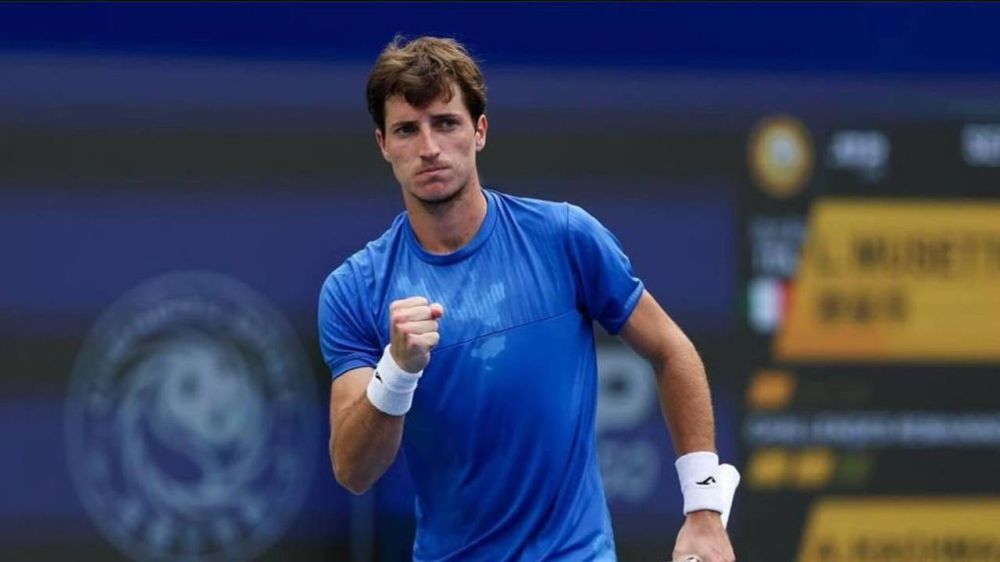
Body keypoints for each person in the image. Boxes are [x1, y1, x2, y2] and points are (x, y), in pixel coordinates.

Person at [318, 35, 736, 562]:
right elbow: (353, 471)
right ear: (383, 144)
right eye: (407, 129)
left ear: (479, 131)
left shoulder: (565, 236)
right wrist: (396, 373)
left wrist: (704, 508)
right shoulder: (354, 290)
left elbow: (671, 350)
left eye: (445, 123)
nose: (428, 148)